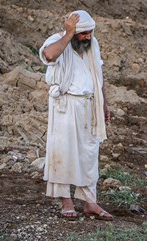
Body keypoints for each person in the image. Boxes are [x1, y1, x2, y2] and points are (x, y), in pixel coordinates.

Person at [39, 10, 113, 220]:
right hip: (65, 105)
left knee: (89, 155)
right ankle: (66, 202)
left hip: (89, 104)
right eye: (83, 34)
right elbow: (49, 55)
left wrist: (104, 103)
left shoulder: (93, 45)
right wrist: (69, 34)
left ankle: (90, 202)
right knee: (63, 152)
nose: (87, 37)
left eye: (90, 32)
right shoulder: (58, 41)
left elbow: (98, 74)